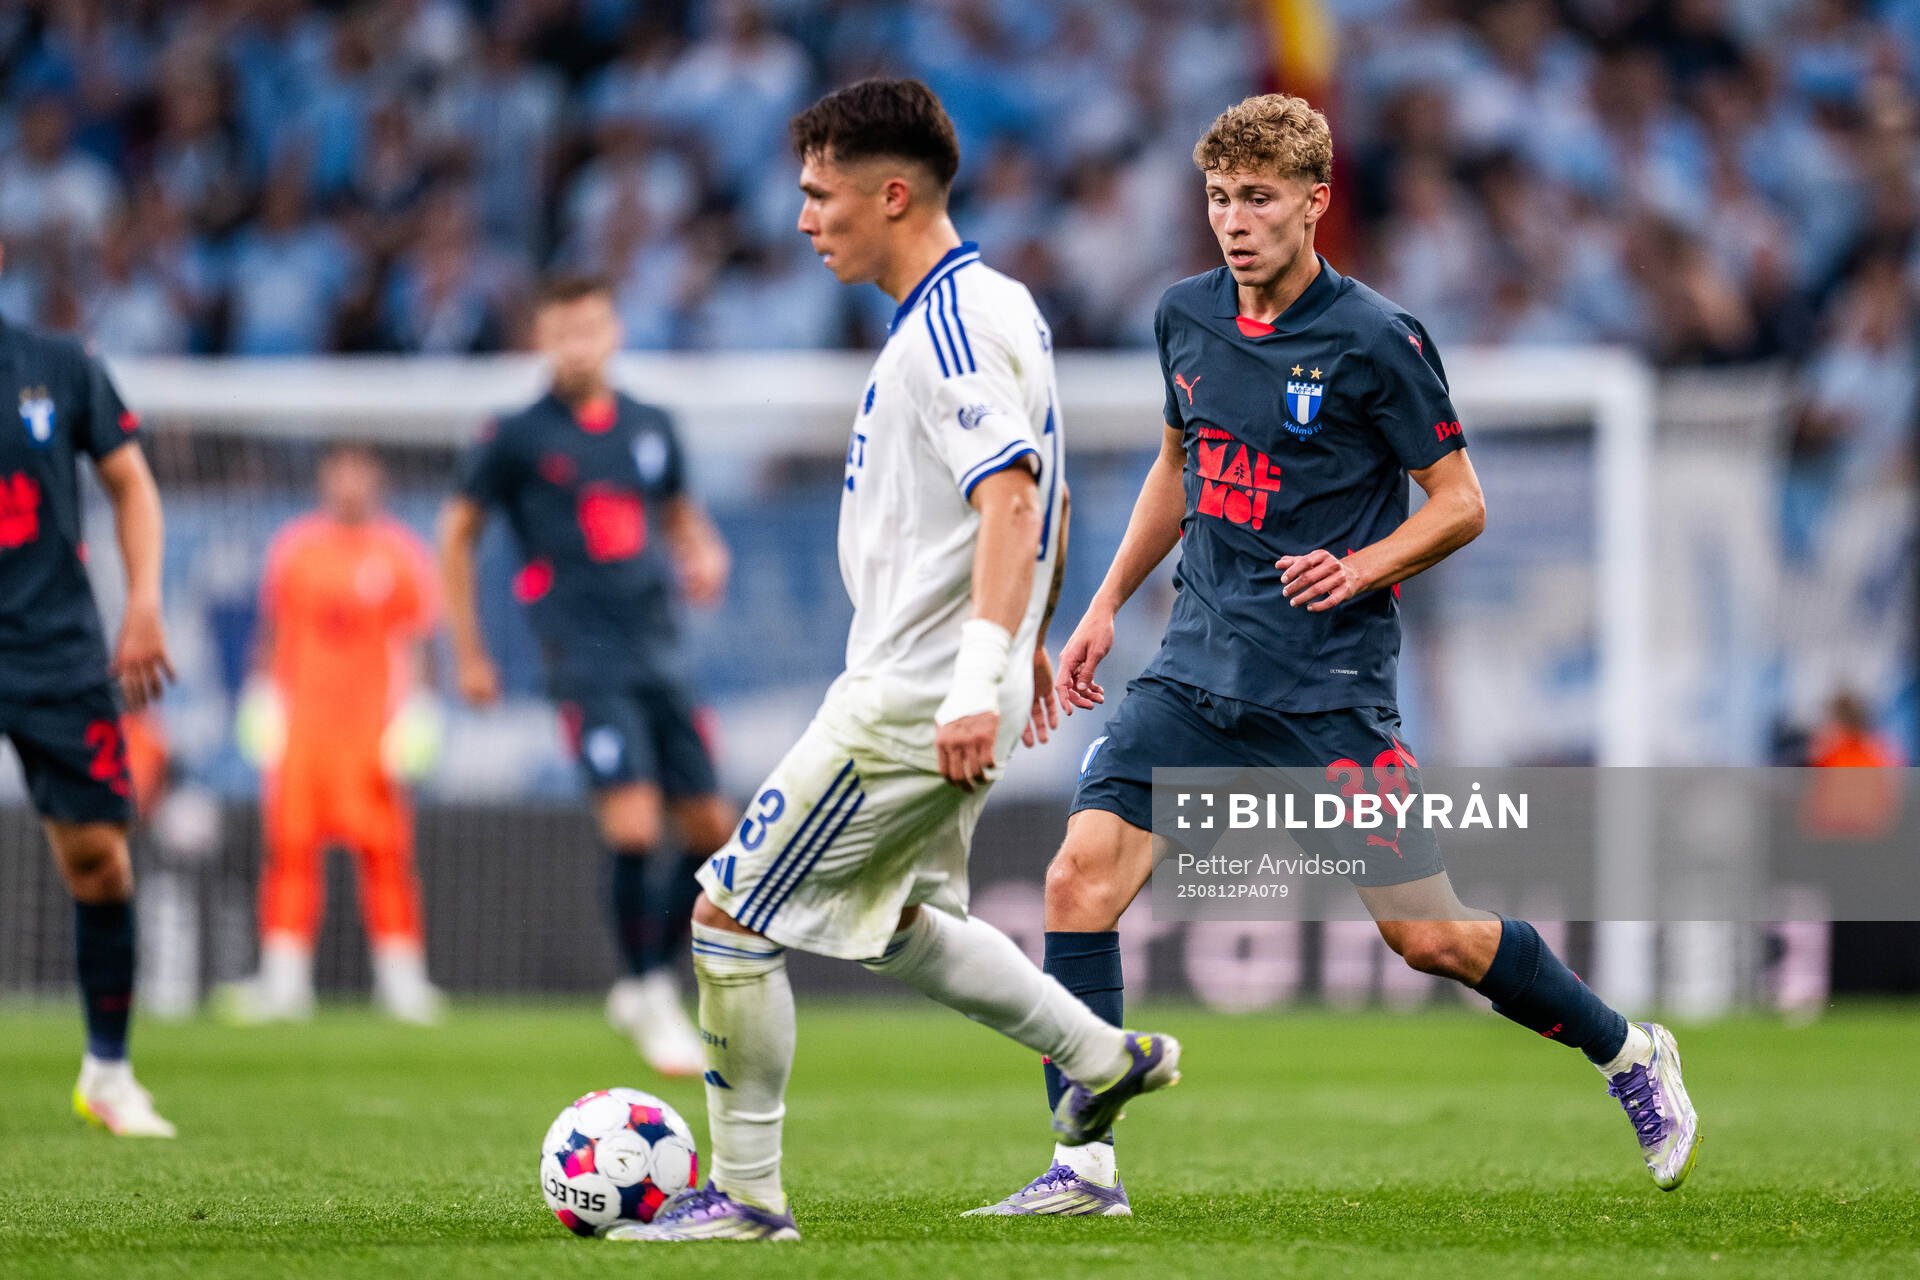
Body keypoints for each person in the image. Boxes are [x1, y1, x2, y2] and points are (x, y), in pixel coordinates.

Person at [971, 94, 1701, 1216]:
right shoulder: (1184, 317)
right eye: (1218, 198)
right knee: (1077, 876)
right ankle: (1085, 1168)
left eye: (1258, 198)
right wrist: (1107, 601)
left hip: (1328, 687)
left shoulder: (1376, 338)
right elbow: (1182, 465)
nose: (1234, 220)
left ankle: (1628, 1051)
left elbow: (1460, 503)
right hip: (1194, 665)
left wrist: (1363, 567)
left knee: (1430, 934)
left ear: (1314, 203)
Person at [605, 78, 1180, 1246]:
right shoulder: (989, 306)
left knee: (728, 917)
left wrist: (980, 677)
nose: (806, 220)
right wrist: (1014, 653)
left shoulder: (953, 328)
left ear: (894, 192)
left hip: (914, 692)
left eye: (821, 197)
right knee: (901, 918)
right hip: (943, 676)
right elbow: (1047, 498)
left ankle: (749, 1196)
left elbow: (1015, 497)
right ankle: (1098, 1053)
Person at [440, 274, 732, 1076]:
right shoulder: (515, 435)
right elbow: (457, 532)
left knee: (713, 833)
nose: (577, 346)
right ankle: (646, 987)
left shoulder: (650, 425)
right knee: (634, 824)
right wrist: (467, 651)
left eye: (590, 329)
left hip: (660, 649)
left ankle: (645, 982)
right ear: (542, 339)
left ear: (614, 333)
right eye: (562, 332)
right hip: (582, 655)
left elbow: (678, 516)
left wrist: (703, 555)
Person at [0, 240, 176, 1135]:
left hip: (54, 652)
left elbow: (131, 485)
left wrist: (143, 600)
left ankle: (107, 1072)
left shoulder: (59, 366)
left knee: (99, 861)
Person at [228, 443, 444, 1023]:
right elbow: (272, 630)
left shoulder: (401, 554)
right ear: (325, 479)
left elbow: (419, 642)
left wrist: (419, 709)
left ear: (378, 480)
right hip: (304, 728)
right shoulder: (295, 549)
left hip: (371, 730)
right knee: (290, 851)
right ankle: (283, 982)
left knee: (386, 853)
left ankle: (401, 983)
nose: (349, 483)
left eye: (360, 472)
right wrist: (261, 694)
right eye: (339, 471)